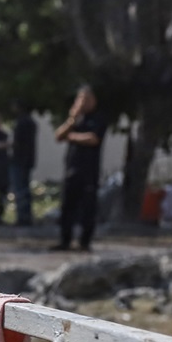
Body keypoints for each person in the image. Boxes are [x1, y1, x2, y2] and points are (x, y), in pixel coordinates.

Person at [54, 86, 105, 251]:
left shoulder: (98, 117)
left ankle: (85, 242)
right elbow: (59, 135)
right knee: (67, 207)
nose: (82, 103)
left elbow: (93, 138)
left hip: (89, 171)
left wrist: (73, 137)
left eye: (86, 99)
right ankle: (65, 240)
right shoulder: (75, 120)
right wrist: (71, 120)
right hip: (71, 169)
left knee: (88, 209)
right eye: (80, 99)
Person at [10, 106, 38, 226]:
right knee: (25, 189)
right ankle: (26, 216)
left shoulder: (21, 123)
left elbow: (17, 142)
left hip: (20, 160)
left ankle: (23, 217)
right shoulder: (31, 123)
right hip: (27, 160)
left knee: (20, 190)